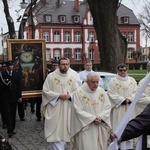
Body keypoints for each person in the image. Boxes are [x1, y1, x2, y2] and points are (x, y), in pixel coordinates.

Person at [42, 57, 79, 150]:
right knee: (55, 136)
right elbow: (45, 91)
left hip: (68, 108)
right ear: (58, 65)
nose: (65, 66)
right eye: (63, 64)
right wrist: (58, 96)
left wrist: (70, 96)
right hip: (55, 108)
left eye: (67, 64)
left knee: (66, 134)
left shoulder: (72, 77)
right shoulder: (51, 76)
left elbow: (77, 91)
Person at [70, 72, 111, 150]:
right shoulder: (79, 93)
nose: (96, 84)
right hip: (85, 127)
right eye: (93, 82)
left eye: (97, 82)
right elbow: (77, 109)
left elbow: (107, 106)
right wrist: (93, 118)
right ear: (87, 81)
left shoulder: (101, 91)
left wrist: (101, 117)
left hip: (99, 125)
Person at [107, 63, 137, 150]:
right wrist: (122, 100)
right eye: (121, 70)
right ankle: (117, 146)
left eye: (124, 70)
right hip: (118, 109)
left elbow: (136, 91)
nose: (123, 72)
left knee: (129, 126)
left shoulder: (132, 80)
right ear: (118, 71)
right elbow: (111, 93)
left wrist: (130, 99)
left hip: (130, 108)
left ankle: (129, 147)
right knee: (119, 127)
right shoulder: (113, 81)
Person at [0, 61, 22, 138]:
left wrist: (20, 96)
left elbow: (19, 86)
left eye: (12, 66)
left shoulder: (16, 74)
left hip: (14, 97)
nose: (11, 68)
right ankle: (9, 130)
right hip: (5, 97)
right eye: (9, 66)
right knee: (7, 113)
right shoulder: (2, 74)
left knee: (13, 114)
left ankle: (12, 129)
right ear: (7, 67)